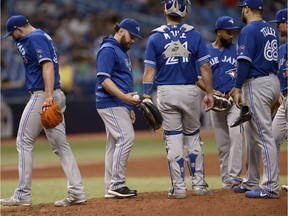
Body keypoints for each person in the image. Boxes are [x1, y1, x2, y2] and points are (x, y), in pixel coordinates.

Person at [0, 15, 86, 207]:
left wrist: (47, 98)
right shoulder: (43, 36)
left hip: (43, 95)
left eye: (12, 33)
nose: (12, 37)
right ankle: (77, 192)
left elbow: (47, 66)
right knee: (61, 147)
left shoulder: (33, 38)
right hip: (55, 93)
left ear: (18, 29)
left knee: (23, 141)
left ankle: (22, 194)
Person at [142, 0, 214, 199]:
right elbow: (205, 68)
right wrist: (209, 92)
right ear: (185, 11)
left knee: (173, 138)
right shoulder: (194, 35)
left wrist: (146, 96)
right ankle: (199, 185)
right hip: (190, 90)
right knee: (193, 137)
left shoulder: (155, 37)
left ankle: (179, 188)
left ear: (164, 10)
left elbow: (149, 71)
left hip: (165, 91)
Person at [230, 0, 281, 198]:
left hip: (257, 83)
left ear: (246, 9)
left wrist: (236, 87)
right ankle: (251, 181)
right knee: (252, 134)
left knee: (262, 134)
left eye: (242, 9)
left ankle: (270, 187)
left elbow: (244, 61)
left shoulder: (249, 29)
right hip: (271, 81)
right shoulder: (270, 29)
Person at [95, 18, 142, 198]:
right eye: (132, 36)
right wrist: (123, 98)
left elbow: (122, 80)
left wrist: (127, 107)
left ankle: (110, 187)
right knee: (126, 137)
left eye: (136, 38)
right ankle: (117, 183)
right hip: (110, 102)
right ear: (121, 30)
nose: (133, 40)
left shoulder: (121, 51)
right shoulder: (108, 49)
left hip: (117, 103)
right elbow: (104, 79)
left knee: (114, 145)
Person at [208, 16, 244, 189]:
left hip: (233, 100)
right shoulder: (207, 51)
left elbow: (245, 71)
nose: (231, 35)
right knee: (222, 144)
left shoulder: (237, 50)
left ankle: (235, 177)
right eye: (228, 32)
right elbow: (198, 77)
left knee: (236, 136)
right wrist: (208, 91)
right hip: (215, 102)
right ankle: (226, 182)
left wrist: (239, 88)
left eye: (233, 32)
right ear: (219, 32)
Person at [270, 8, 288, 191]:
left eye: (279, 24)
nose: (277, 28)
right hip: (284, 98)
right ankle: (271, 182)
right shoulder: (282, 49)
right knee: (273, 137)